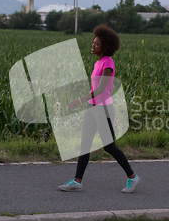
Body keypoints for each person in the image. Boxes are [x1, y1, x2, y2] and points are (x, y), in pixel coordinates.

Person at [58, 24, 141, 193]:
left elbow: (102, 88)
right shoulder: (98, 63)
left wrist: (80, 100)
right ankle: (77, 181)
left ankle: (132, 177)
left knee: (109, 147)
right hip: (92, 107)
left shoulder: (108, 63)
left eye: (97, 43)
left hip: (103, 109)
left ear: (106, 46)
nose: (93, 45)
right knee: (85, 145)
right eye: (93, 42)